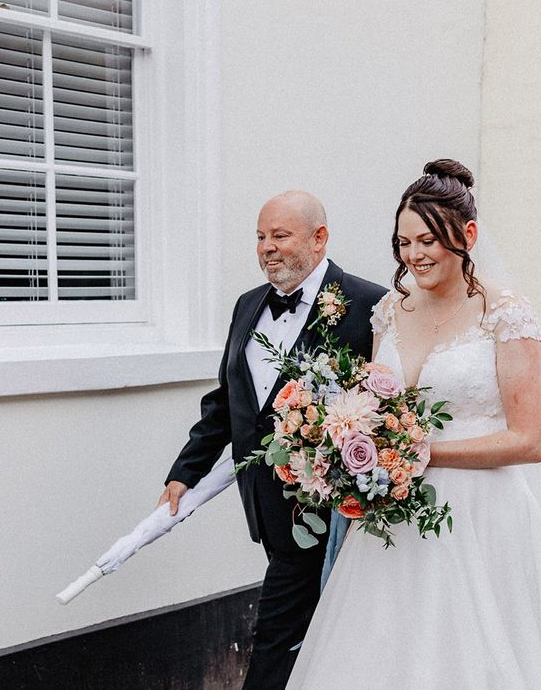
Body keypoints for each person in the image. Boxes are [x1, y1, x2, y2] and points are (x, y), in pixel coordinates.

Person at [287, 160, 541, 688]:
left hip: (483, 520)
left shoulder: (506, 314)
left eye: (428, 240)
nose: (414, 255)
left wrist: (420, 453)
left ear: (468, 235)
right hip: (395, 519)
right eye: (404, 242)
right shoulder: (389, 310)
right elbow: (377, 403)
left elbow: (530, 440)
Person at [158, 190, 387, 690]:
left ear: (319, 237)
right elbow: (227, 400)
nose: (267, 248)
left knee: (276, 636)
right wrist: (185, 472)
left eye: (280, 236)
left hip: (329, 508)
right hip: (265, 504)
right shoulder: (247, 306)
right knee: (314, 632)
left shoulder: (369, 305)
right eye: (260, 237)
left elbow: (385, 404)